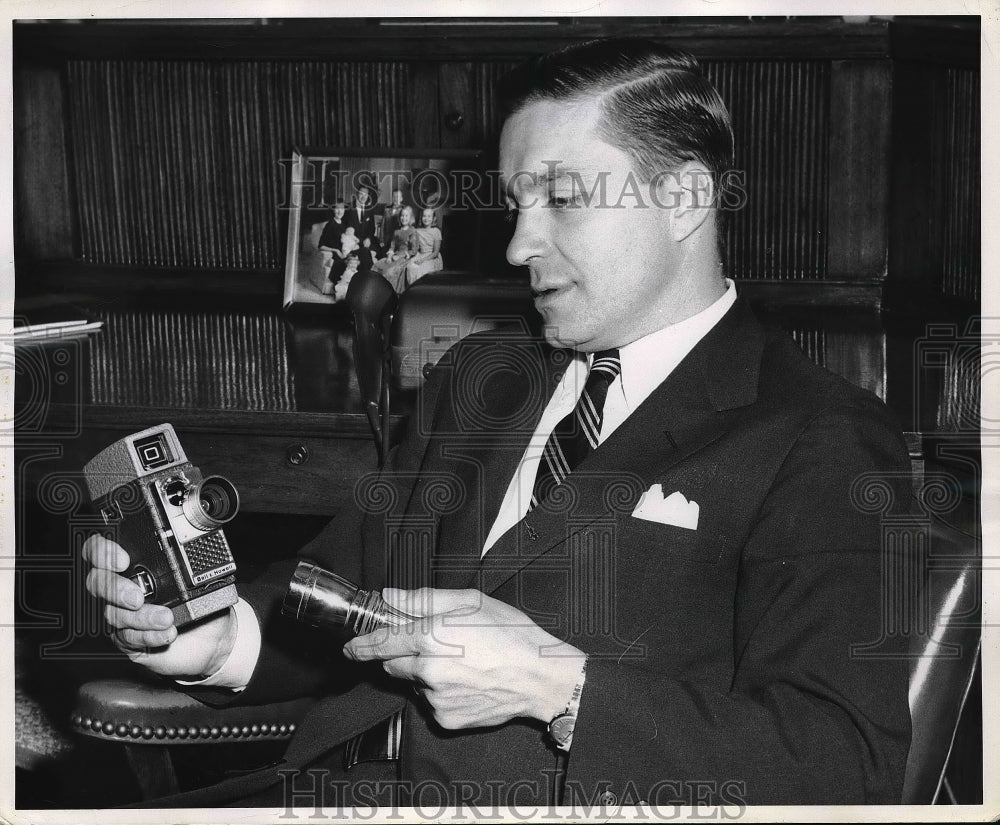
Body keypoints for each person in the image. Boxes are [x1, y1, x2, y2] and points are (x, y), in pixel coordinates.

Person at [81, 38, 911, 809]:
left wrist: (561, 688)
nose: (519, 244)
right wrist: (213, 640)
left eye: (561, 197)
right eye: (518, 202)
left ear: (686, 196)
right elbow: (334, 587)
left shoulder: (820, 436)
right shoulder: (480, 379)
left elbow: (844, 766)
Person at [373, 203, 417, 293]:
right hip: (395, 255)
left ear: (410, 217)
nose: (404, 218)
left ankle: (389, 293)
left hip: (405, 257)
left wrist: (400, 256)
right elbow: (392, 246)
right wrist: (389, 256)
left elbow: (413, 250)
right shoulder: (396, 231)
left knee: (389, 272)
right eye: (402, 216)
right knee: (377, 266)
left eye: (406, 216)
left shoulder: (412, 231)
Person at [404, 207, 444, 286]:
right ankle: (412, 291)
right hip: (420, 254)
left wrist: (422, 260)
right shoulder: (417, 230)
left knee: (420, 270)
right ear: (421, 217)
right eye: (424, 216)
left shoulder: (436, 231)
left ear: (433, 218)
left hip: (431, 257)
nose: (426, 218)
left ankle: (420, 292)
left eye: (429, 216)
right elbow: (414, 245)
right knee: (410, 266)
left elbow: (435, 253)